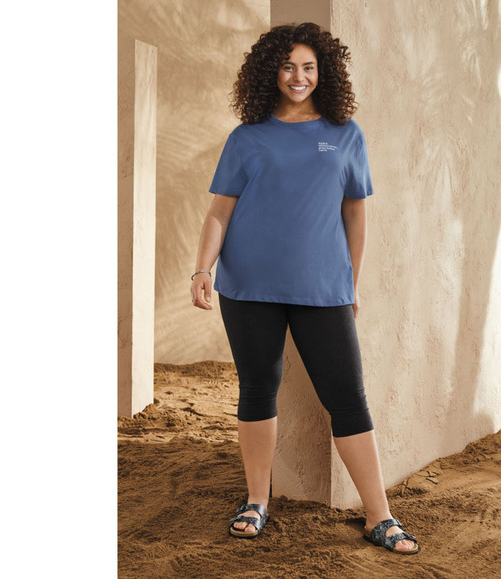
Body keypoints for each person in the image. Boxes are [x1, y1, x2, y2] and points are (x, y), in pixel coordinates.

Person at [190, 22, 419, 555]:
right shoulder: (247, 137)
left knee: (348, 399)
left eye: (309, 67)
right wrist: (202, 270)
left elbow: (355, 214)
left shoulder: (346, 134)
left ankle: (380, 515)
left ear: (324, 72)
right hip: (248, 287)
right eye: (288, 66)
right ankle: (256, 501)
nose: (298, 77)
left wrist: (351, 281)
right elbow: (219, 212)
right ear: (270, 72)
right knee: (257, 390)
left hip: (323, 288)